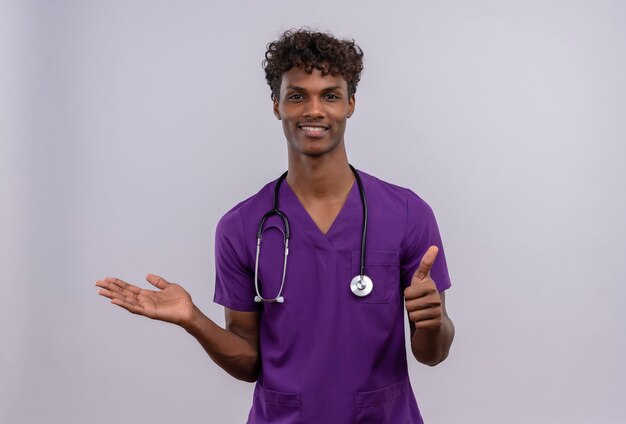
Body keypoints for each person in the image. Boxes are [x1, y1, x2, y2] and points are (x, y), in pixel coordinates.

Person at [96, 28, 455, 423]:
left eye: (330, 95)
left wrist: (434, 323)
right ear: (277, 106)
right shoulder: (241, 226)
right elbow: (248, 362)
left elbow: (432, 354)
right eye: (297, 95)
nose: (314, 110)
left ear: (351, 104)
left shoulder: (406, 213)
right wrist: (193, 320)